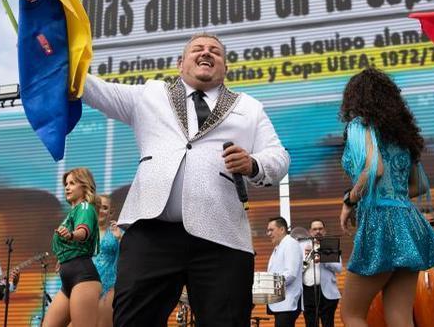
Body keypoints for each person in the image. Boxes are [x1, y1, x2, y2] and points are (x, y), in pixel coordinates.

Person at [82, 32, 290, 326]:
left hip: (222, 237)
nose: (206, 53)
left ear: (226, 68)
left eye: (215, 51)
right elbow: (96, 90)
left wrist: (253, 164)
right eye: (198, 49)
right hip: (151, 232)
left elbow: (279, 157)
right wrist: (59, 60)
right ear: (180, 64)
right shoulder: (151, 94)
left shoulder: (249, 107)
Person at [337, 68, 434, 327]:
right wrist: (393, 194)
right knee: (400, 318)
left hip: (380, 221)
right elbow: (420, 185)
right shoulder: (402, 135)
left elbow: (374, 169)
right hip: (409, 221)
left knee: (352, 314)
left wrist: (349, 201)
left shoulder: (359, 125)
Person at [44, 168, 101, 327]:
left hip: (83, 278)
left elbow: (83, 232)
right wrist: (63, 258)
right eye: (66, 184)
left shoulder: (85, 208)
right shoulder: (72, 212)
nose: (67, 187)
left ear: (84, 186)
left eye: (72, 183)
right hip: (68, 281)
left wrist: (71, 235)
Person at [301, 219, 342, 327]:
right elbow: (298, 270)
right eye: (314, 229)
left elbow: (338, 268)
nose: (317, 231)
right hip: (308, 292)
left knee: (328, 323)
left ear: (325, 231)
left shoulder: (330, 245)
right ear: (310, 232)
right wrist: (307, 258)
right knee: (310, 323)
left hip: (327, 292)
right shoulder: (303, 246)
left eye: (320, 229)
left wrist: (323, 258)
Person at [265, 217, 303, 327]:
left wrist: (269, 285)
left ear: (282, 229)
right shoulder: (280, 246)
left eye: (271, 230)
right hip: (281, 303)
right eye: (268, 231)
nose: (269, 233)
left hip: (287, 302)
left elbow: (290, 274)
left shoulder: (290, 244)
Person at [93, 194, 121, 327]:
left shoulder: (117, 233)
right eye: (98, 207)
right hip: (86, 284)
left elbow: (128, 258)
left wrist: (120, 239)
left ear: (111, 211)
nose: (100, 210)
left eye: (104, 207)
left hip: (108, 287)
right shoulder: (85, 231)